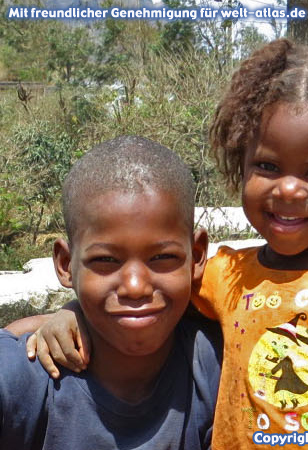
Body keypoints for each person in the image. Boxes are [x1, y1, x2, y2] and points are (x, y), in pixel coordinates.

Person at [8, 37, 308, 449]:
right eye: (268, 166)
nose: (290, 190)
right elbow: (134, 295)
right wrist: (64, 315)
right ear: (242, 167)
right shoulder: (226, 276)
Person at [1, 136, 222, 450]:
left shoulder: (221, 369)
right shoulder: (24, 379)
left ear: (197, 255)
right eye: (105, 260)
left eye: (162, 258)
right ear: (66, 264)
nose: (135, 287)